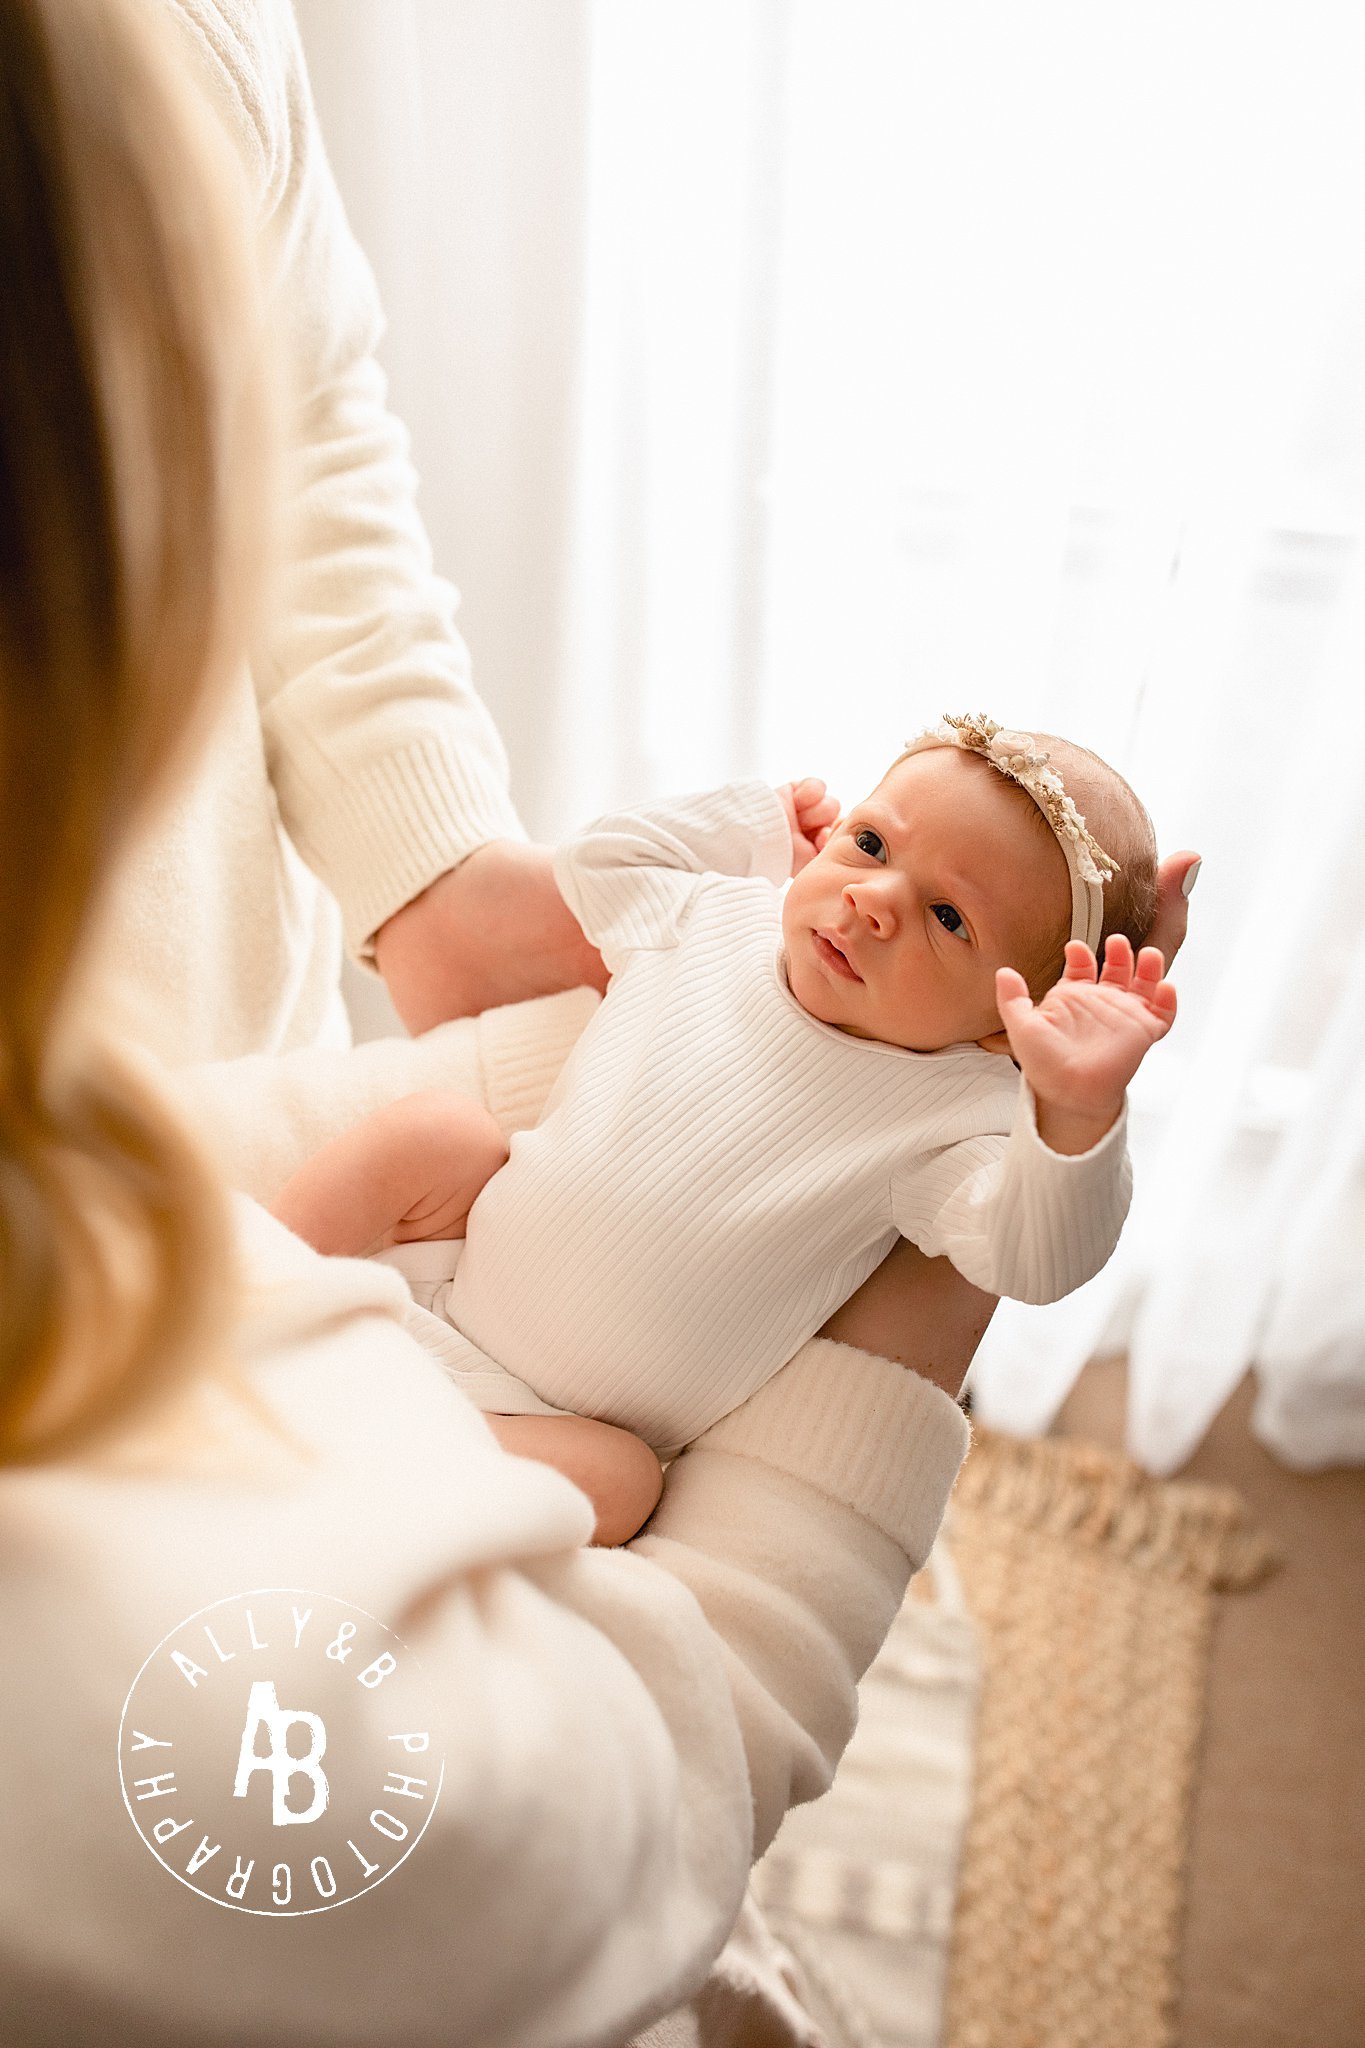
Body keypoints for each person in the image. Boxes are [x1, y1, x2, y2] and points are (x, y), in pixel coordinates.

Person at [0, 2, 995, 2041]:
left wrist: (433, 876)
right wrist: (863, 1426)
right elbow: (629, 1785)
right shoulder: (178, 1728)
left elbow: (304, 407)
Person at [270, 725, 1175, 1542]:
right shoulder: (716, 918)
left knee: (624, 1488)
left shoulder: (952, 1115)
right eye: (868, 843)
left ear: (1004, 1025)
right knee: (439, 1134)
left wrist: (1075, 1114)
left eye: (948, 918)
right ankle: (246, 1291)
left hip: (539, 1435)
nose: (872, 900)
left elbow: (1032, 1259)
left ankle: (358, 1454)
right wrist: (754, 825)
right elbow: (596, 863)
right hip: (443, 1276)